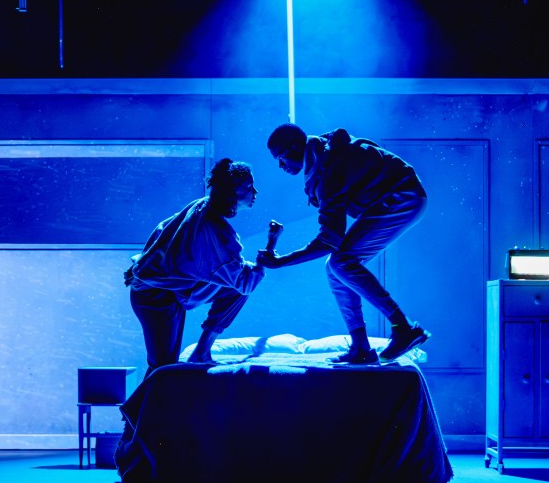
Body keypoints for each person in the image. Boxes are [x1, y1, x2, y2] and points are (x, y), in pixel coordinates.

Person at [257, 123, 430, 364]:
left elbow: (329, 240)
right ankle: (360, 347)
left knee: (341, 262)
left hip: (402, 197)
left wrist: (281, 262)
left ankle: (404, 328)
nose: (280, 166)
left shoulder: (328, 169)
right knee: (335, 268)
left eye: (280, 157)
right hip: (393, 198)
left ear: (295, 147)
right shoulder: (323, 156)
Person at [125, 158, 265, 378]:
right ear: (231, 191)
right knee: (162, 368)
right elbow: (244, 282)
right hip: (155, 296)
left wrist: (141, 264)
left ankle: (202, 351)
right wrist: (270, 247)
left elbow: (163, 232)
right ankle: (140, 404)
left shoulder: (202, 206)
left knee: (239, 284)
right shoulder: (215, 228)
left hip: (169, 291)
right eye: (248, 187)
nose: (255, 192)